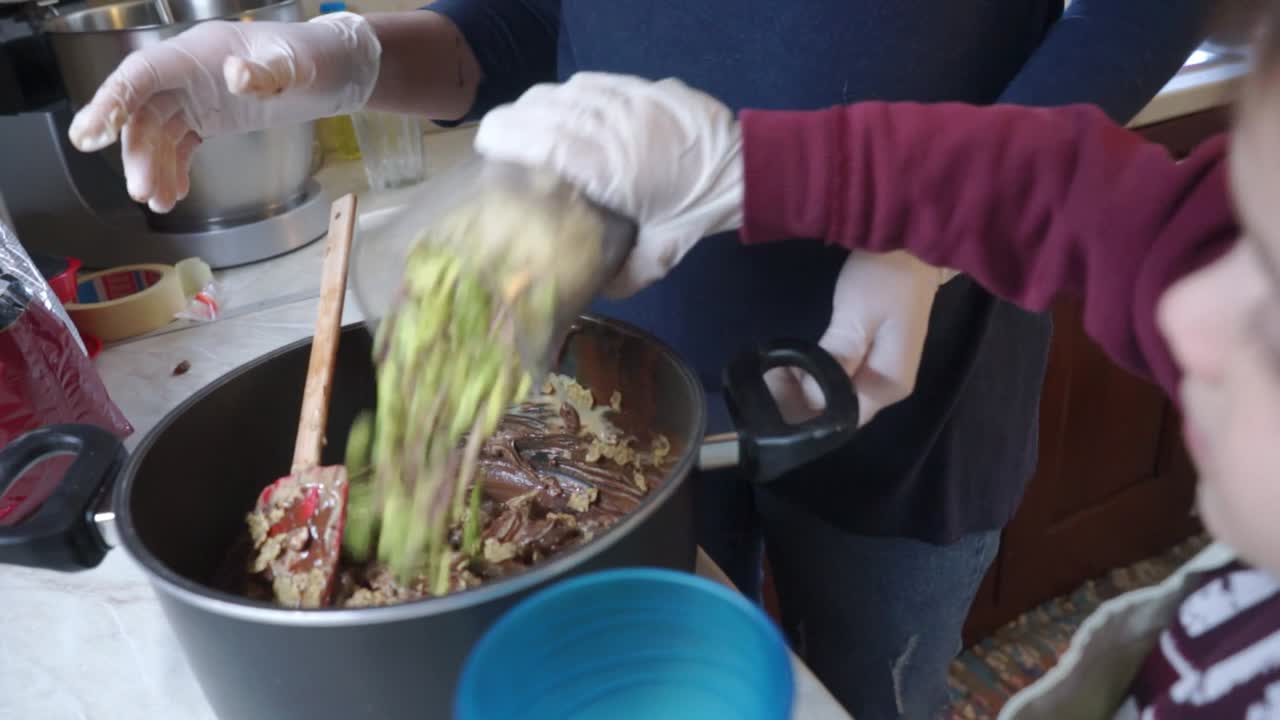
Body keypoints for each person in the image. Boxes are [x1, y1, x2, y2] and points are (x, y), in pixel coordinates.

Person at [66, 3, 1208, 716]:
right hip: (629, 381)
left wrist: (925, 241)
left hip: (921, 363)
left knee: (872, 684)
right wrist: (333, 59)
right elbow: (521, 29)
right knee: (659, 668)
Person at [462, 14, 1280, 713]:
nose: (1184, 316)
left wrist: (920, 257)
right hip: (657, 368)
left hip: (923, 415)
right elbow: (1087, 200)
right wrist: (769, 171)